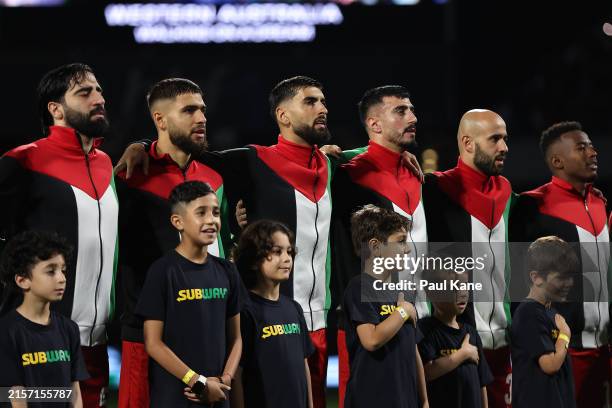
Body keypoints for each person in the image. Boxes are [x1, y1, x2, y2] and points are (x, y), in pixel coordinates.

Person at [0, 63, 118, 407]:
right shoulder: (23, 161)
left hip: (96, 345)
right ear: (56, 109)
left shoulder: (107, 163)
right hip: (39, 342)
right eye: (84, 93)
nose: (98, 98)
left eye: (98, 90)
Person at [116, 78, 233, 408]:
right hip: (147, 336)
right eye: (189, 110)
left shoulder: (217, 176)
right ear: (160, 120)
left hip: (210, 328)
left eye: (203, 110)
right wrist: (140, 145)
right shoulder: (128, 177)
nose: (202, 118)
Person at [331, 85, 427, 406]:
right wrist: (334, 155)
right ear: (374, 125)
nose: (412, 117)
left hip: (418, 318)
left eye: (411, 109)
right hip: (370, 319)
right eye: (400, 111)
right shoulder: (348, 174)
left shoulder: (415, 172)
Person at [509, 121, 610, 407]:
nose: (593, 152)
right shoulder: (531, 206)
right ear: (557, 160)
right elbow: (517, 284)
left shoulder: (599, 203)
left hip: (603, 351)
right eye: (582, 147)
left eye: (591, 145)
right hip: (562, 350)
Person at [422, 109, 512, 408]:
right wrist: (339, 155)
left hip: (507, 344)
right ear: (468, 143)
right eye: (495, 139)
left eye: (505, 139)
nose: (504, 147)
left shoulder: (508, 193)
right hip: (456, 342)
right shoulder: (434, 190)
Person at [135, 181, 241, 408]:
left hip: (218, 393)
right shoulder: (162, 272)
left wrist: (224, 380)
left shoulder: (228, 271)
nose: (211, 220)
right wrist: (197, 382)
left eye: (215, 212)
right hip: (176, 396)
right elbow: (153, 343)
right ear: (177, 222)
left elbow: (237, 338)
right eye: (200, 213)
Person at [342, 204, 428, 408]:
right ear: (375, 246)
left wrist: (424, 400)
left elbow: (413, 350)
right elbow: (371, 339)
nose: (407, 249)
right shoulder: (359, 287)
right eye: (400, 242)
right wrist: (402, 311)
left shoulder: (404, 292)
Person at [0, 231, 88, 408]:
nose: (62, 279)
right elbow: (15, 397)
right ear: (23, 280)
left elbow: (74, 393)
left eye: (63, 270)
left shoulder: (69, 329)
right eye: (51, 271)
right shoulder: (7, 331)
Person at [232, 220, 314, 408]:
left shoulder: (293, 308)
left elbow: (303, 365)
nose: (287, 258)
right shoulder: (244, 311)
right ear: (254, 260)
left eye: (289, 252)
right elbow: (237, 372)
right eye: (277, 252)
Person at [511, 236, 578, 408]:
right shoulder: (528, 313)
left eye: (571, 277)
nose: (569, 283)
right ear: (537, 277)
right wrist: (565, 335)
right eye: (562, 277)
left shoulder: (551, 312)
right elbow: (550, 365)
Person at [418, 265, 493, 408]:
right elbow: (427, 372)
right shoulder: (425, 329)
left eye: (465, 285)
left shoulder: (471, 333)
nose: (463, 293)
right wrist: (463, 353)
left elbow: (481, 383)